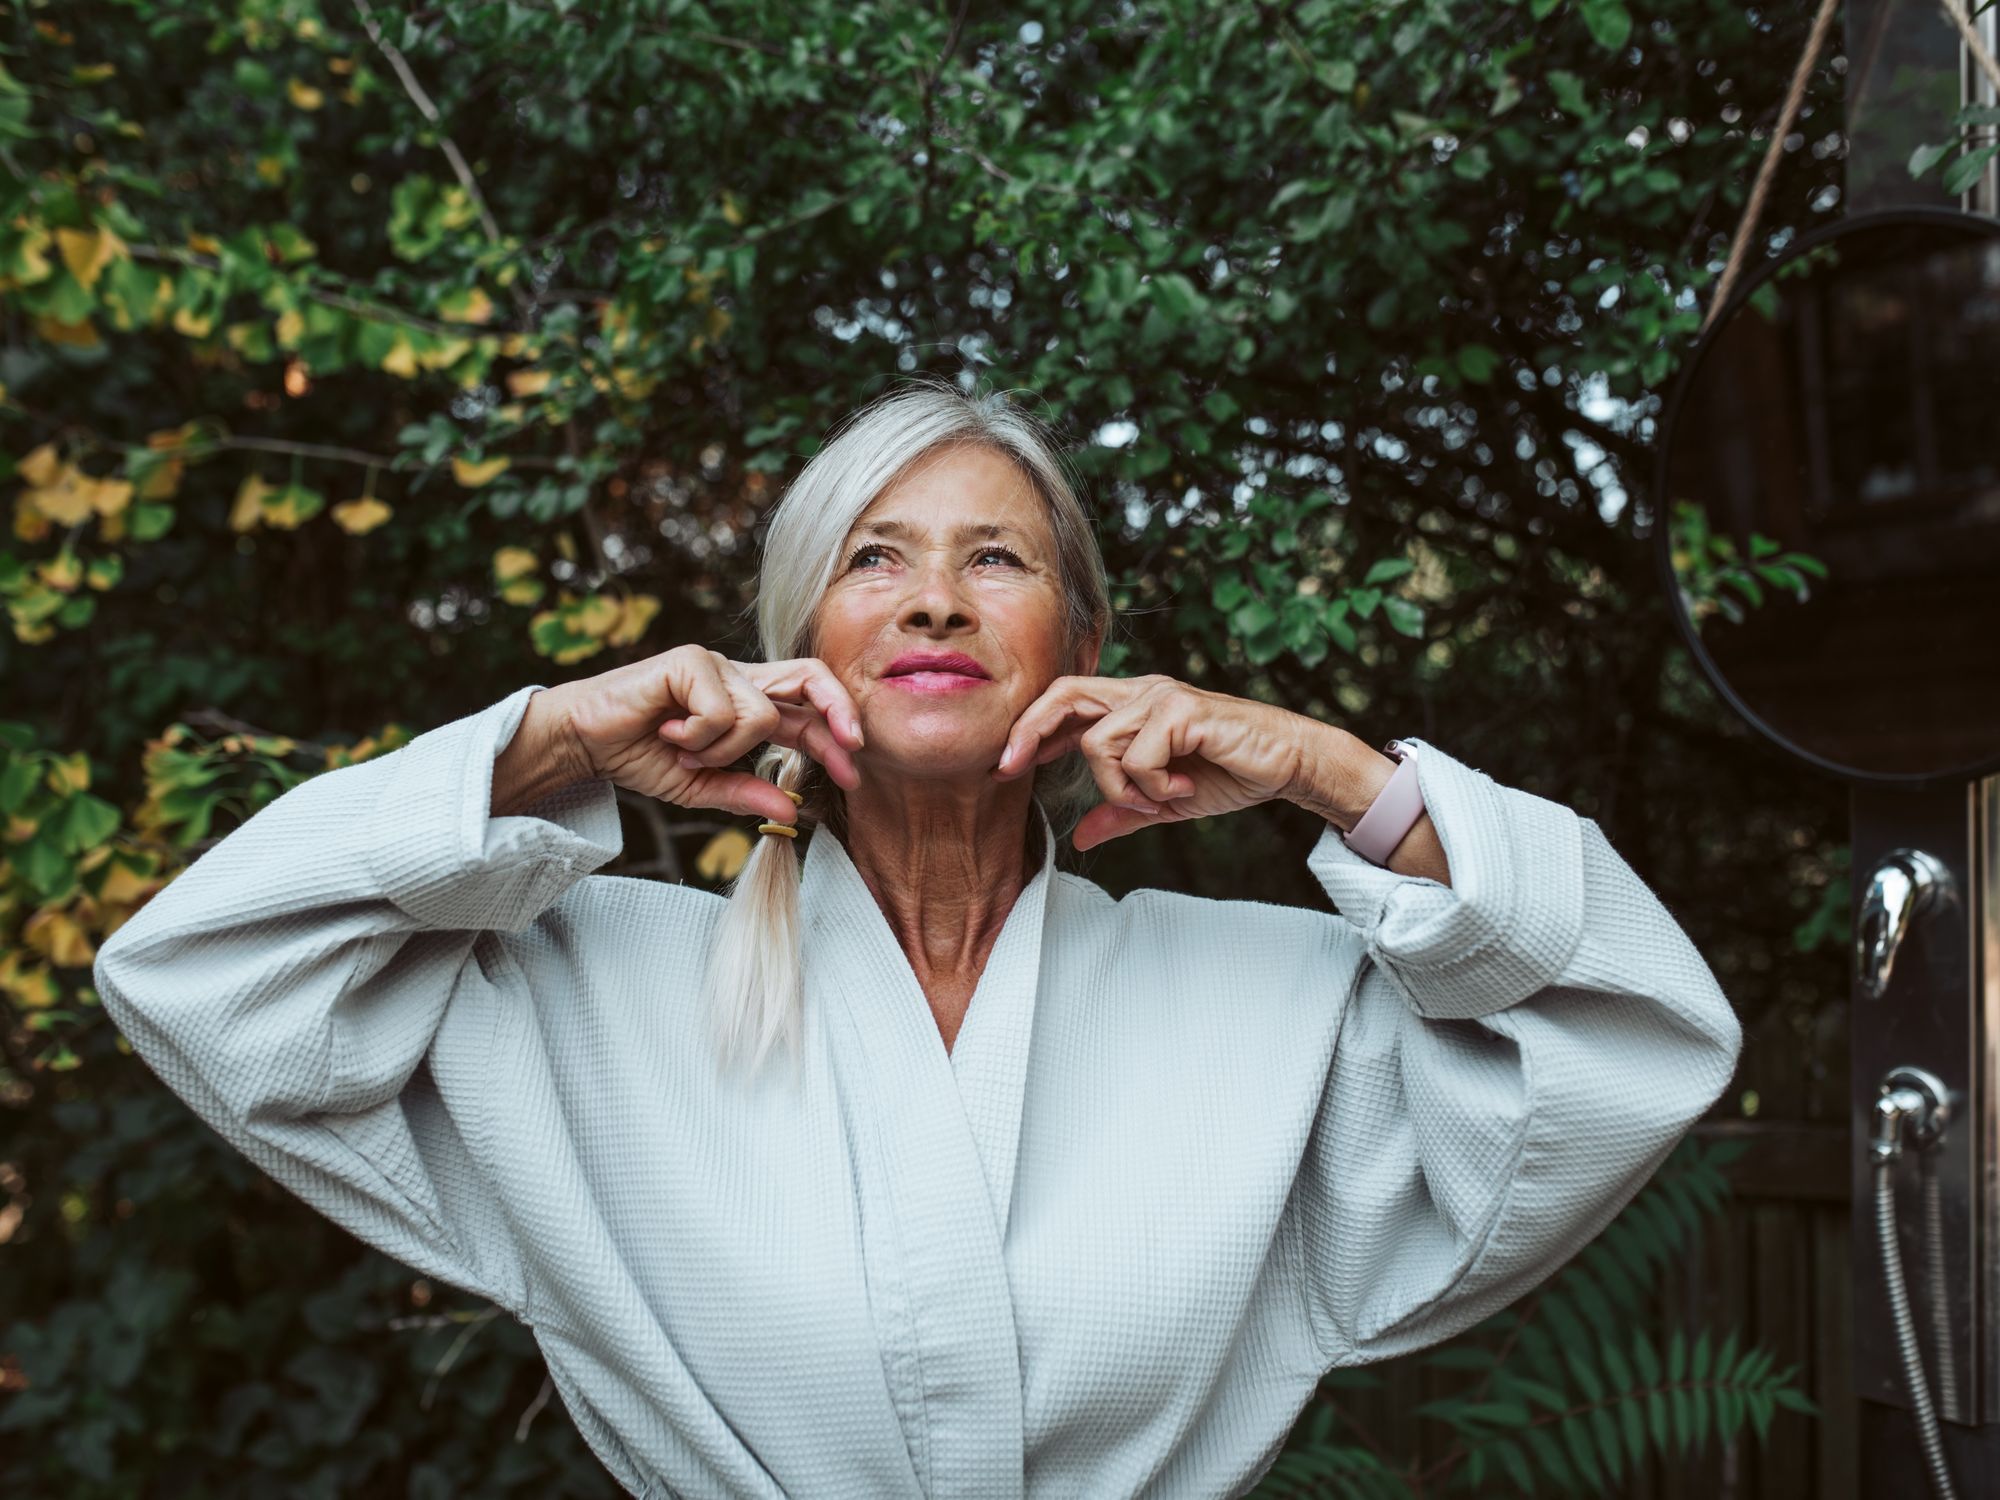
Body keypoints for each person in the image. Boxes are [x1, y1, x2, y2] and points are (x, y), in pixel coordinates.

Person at [94, 377, 1743, 1499]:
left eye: (995, 560)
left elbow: (1632, 1034)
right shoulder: (584, 992)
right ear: (797, 642)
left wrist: (1335, 775)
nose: (935, 601)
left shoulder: (1270, 1001)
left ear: (1079, 642)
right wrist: (556, 742)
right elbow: (200, 975)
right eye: (873, 559)